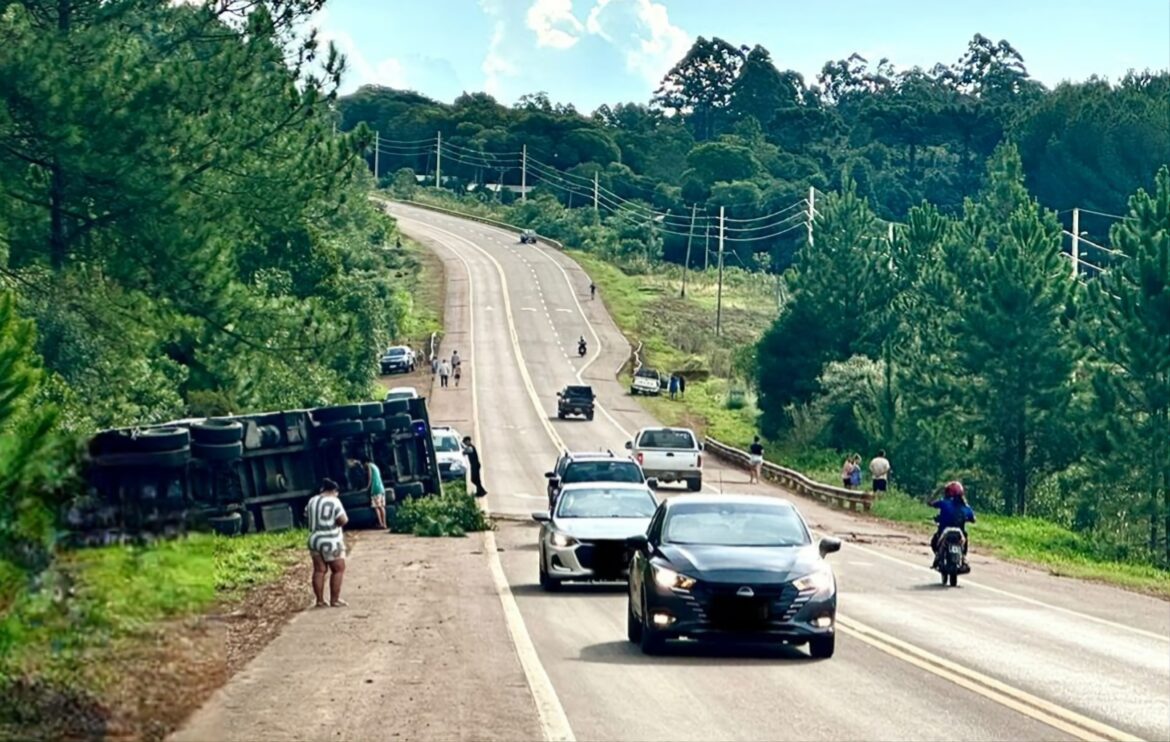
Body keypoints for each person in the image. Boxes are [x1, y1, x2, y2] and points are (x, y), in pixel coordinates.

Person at [305, 479, 349, 608]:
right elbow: (343, 520)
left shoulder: (312, 500)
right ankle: (334, 600)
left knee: (319, 570)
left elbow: (306, 515)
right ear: (335, 491)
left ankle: (319, 600)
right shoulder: (334, 501)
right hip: (331, 540)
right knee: (338, 569)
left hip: (314, 539)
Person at [929, 480, 976, 571]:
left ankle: (938, 556)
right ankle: (963, 558)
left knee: (934, 541)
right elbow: (973, 518)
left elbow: (932, 503)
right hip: (959, 533)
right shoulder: (965, 507)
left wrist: (936, 492)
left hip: (945, 531)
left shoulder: (944, 503)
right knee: (965, 538)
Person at [361, 455, 387, 530]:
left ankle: (380, 523)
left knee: (376, 507)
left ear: (365, 462)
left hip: (375, 488)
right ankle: (384, 523)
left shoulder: (369, 466)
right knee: (382, 507)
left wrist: (367, 487)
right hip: (381, 488)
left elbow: (370, 477)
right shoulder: (375, 466)